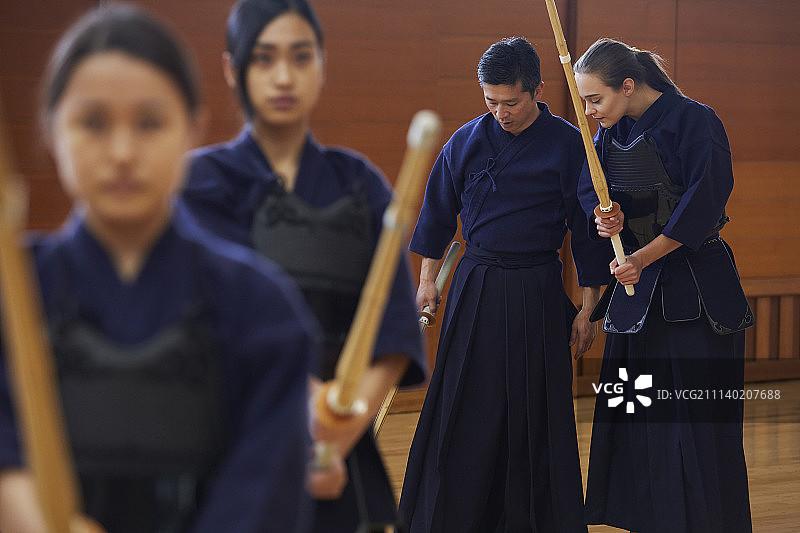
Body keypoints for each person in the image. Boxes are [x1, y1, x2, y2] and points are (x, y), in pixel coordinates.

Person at [0, 4, 318, 532]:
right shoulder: (14, 292)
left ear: (192, 130)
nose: (122, 152)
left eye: (150, 122)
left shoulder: (261, 308)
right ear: (52, 128)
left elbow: (262, 498)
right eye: (93, 122)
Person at [178, 0, 426, 530]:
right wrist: (299, 432)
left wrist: (334, 436)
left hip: (340, 459)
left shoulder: (360, 186)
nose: (283, 76)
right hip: (230, 451)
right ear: (233, 70)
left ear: (321, 63)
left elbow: (393, 332)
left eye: (300, 56)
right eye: (264, 59)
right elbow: (213, 328)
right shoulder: (199, 185)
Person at [398, 37, 611, 533]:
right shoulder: (466, 140)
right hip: (475, 287)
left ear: (536, 90)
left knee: (533, 416)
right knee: (463, 410)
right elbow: (436, 216)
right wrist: (427, 282)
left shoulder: (567, 144)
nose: (500, 113)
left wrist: (588, 309)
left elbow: (586, 233)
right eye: (490, 101)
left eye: (510, 102)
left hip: (537, 288)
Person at [573, 38, 754, 533]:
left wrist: (641, 257)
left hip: (694, 289)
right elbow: (596, 187)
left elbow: (703, 202)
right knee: (635, 410)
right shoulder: (613, 132)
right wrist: (603, 214)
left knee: (693, 421)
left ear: (628, 86)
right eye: (584, 102)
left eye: (595, 100)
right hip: (637, 296)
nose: (589, 112)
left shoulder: (697, 122)